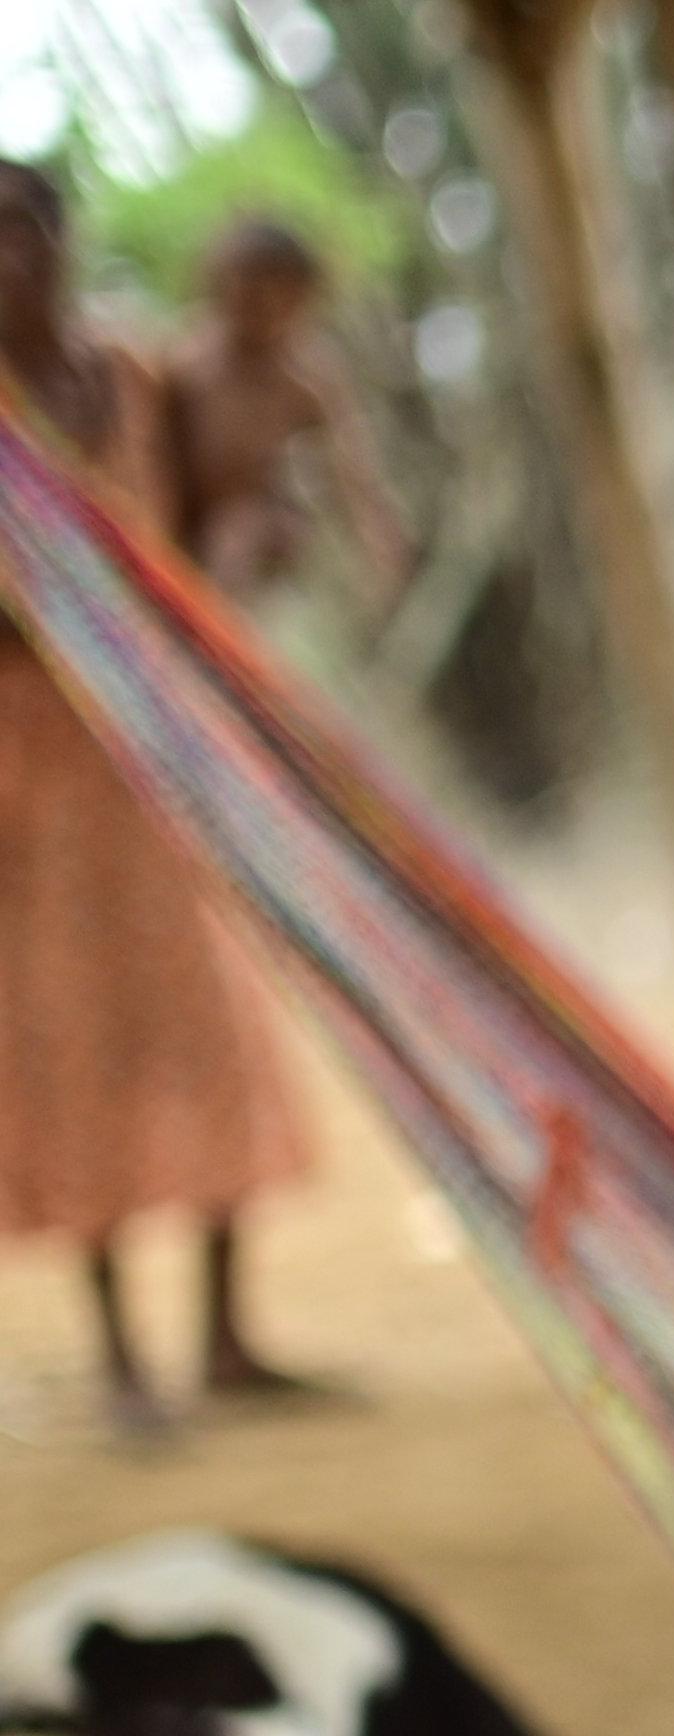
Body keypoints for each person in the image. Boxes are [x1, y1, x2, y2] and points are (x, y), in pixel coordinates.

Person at [0, 160, 323, 1441]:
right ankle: (122, 1356)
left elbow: (200, 536)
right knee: (68, 1039)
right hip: (29, 779)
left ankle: (230, 1334)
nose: (16, 265)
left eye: (32, 235)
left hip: (158, 763)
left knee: (205, 1019)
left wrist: (255, 540)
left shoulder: (136, 380)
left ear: (67, 245)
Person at [155, 216, 411, 609]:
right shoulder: (186, 364)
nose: (261, 304)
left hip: (257, 533)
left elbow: (350, 468)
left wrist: (376, 535)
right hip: (181, 531)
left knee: (244, 535)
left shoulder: (307, 375)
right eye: (246, 287)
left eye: (277, 292)